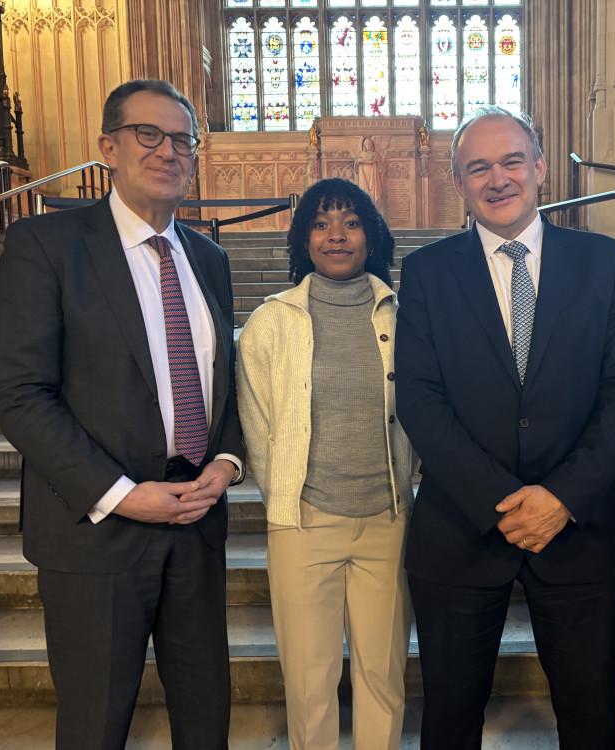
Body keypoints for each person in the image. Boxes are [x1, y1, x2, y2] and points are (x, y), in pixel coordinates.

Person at [0, 79, 245, 750]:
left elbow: (223, 385)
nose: (167, 151)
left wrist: (225, 460)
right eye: (147, 135)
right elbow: (19, 393)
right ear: (108, 146)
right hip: (95, 536)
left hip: (194, 526)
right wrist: (125, 495)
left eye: (182, 139)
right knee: (95, 724)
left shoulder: (209, 259)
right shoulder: (47, 244)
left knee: (205, 719)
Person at [394, 106, 615, 750]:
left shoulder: (604, 262)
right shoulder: (427, 272)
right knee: (450, 719)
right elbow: (421, 400)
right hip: (461, 529)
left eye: (512, 161)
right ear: (458, 183)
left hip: (581, 531)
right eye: (478, 167)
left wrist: (562, 497)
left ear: (540, 167)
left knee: (591, 718)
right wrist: (501, 501)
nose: (498, 178)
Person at [236, 177, 414, 750]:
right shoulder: (271, 323)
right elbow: (258, 427)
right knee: (310, 684)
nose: (336, 236)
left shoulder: (402, 316)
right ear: (302, 237)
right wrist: (286, 501)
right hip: (305, 523)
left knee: (382, 677)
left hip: (387, 522)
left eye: (351, 222)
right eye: (320, 223)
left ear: (372, 235)